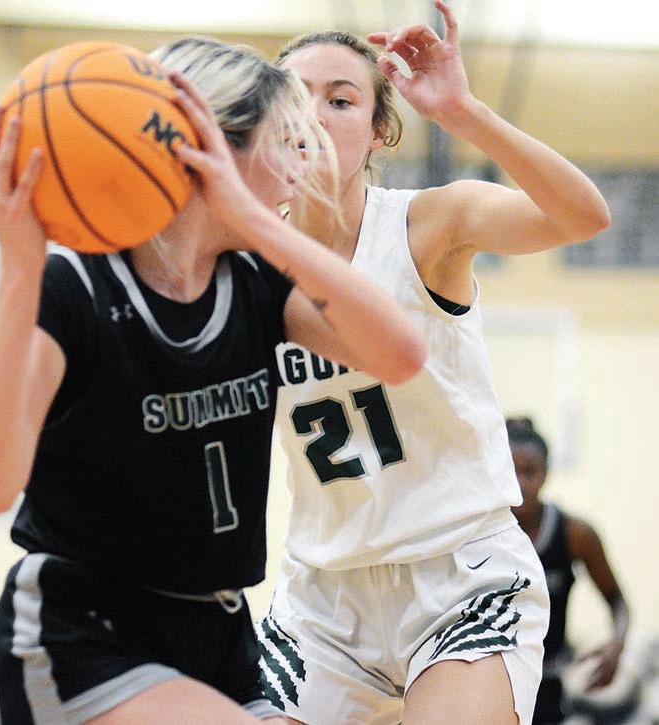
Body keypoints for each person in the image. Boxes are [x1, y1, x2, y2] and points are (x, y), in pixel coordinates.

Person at [0, 38, 426, 725]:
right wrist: (19, 268)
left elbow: (402, 354)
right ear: (213, 148)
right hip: (84, 630)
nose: (303, 164)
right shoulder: (77, 285)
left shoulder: (257, 280)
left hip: (219, 632)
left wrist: (257, 223)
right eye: (287, 142)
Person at [256, 2, 611, 724]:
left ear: (379, 130)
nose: (315, 115)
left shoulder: (428, 225)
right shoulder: (246, 258)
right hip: (323, 597)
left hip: (461, 578)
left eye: (341, 100)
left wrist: (464, 114)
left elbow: (584, 217)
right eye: (296, 98)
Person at [506, 417, 630, 724]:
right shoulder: (480, 533)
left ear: (546, 472)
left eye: (530, 472)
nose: (520, 484)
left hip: (550, 678)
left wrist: (616, 645)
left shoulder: (575, 534)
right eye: (511, 472)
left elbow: (617, 601)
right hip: (495, 675)